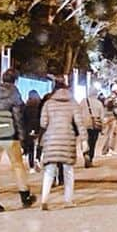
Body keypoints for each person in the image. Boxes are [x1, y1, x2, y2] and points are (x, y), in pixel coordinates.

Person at [0, 69, 35, 213]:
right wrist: (23, 137)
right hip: (10, 135)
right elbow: (18, 116)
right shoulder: (14, 93)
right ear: (15, 80)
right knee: (17, 165)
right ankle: (25, 196)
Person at [39, 75, 86, 210]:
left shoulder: (49, 103)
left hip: (51, 138)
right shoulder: (73, 103)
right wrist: (84, 139)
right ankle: (68, 200)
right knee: (68, 170)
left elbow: (43, 123)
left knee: (49, 171)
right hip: (67, 138)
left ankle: (44, 199)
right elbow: (80, 123)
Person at [83, 90, 105, 166]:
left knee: (85, 140)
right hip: (95, 125)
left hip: (84, 125)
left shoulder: (82, 102)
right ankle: (90, 156)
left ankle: (85, 153)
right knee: (93, 142)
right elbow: (102, 117)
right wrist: (102, 128)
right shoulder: (99, 103)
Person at [23, 88, 43, 170]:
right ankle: (37, 158)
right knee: (40, 144)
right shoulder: (41, 105)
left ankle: (31, 166)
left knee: (31, 147)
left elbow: (23, 118)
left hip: (29, 128)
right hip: (40, 127)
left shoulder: (27, 105)